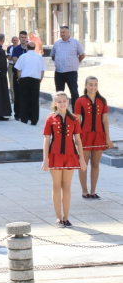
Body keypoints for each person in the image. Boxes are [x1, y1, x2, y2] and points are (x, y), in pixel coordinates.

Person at [42, 91, 87, 227]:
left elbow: (78, 140)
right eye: (59, 101)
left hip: (70, 156)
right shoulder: (50, 119)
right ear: (55, 103)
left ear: (68, 102)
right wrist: (45, 159)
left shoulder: (74, 119)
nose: (62, 103)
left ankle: (66, 217)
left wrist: (82, 159)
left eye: (64, 101)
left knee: (66, 187)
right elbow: (46, 140)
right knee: (56, 186)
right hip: (54, 156)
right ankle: (58, 217)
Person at [74, 76, 114, 199]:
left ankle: (93, 191)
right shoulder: (79, 101)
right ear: (85, 86)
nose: (93, 87)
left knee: (95, 164)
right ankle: (84, 191)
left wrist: (108, 139)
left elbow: (105, 121)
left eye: (95, 84)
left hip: (98, 136)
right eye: (90, 84)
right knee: (83, 164)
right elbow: (77, 121)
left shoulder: (102, 101)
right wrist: (77, 139)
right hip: (84, 136)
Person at [51, 26, 85, 111]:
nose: (62, 34)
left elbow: (82, 55)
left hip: (71, 72)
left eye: (64, 32)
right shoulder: (57, 43)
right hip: (59, 72)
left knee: (74, 92)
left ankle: (76, 111)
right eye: (61, 32)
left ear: (68, 32)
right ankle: (59, 111)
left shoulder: (75, 42)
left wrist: (75, 62)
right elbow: (53, 56)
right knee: (59, 93)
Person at [15, 42, 46, 125]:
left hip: (24, 79)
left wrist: (19, 79)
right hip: (35, 80)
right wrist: (40, 80)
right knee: (34, 100)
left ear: (27, 48)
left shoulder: (23, 56)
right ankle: (34, 119)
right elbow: (42, 71)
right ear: (35, 48)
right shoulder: (39, 57)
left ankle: (24, 118)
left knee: (24, 99)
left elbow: (18, 70)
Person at [11, 31, 29, 120]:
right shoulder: (16, 49)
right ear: (19, 38)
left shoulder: (30, 48)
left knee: (26, 95)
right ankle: (17, 113)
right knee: (17, 94)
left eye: (25, 37)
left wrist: (20, 61)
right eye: (22, 37)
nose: (23, 39)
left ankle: (26, 113)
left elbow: (31, 60)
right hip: (17, 73)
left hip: (27, 74)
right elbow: (14, 60)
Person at [6, 36, 19, 103]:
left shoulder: (20, 48)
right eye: (14, 40)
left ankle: (18, 97)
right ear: (12, 41)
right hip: (11, 65)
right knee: (11, 82)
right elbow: (8, 57)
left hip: (19, 66)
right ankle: (13, 98)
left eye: (16, 40)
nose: (15, 41)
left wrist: (13, 57)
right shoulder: (9, 48)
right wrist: (15, 57)